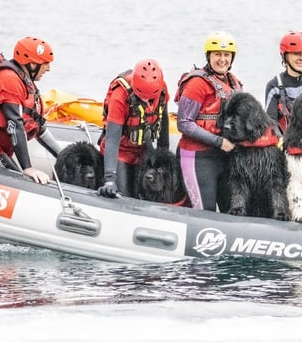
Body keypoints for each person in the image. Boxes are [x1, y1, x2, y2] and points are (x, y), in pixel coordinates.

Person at [0, 36, 63, 185]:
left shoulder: (24, 80)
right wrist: (28, 168)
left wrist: (62, 155)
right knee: (22, 183)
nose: (48, 69)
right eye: (45, 64)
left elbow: (37, 127)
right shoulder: (8, 79)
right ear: (32, 64)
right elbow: (14, 123)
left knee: (19, 177)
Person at [175, 31, 244, 212]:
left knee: (233, 210)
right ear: (209, 56)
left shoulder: (234, 83)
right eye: (217, 55)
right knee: (205, 211)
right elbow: (184, 123)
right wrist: (219, 141)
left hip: (224, 158)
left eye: (226, 55)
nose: (222, 60)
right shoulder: (196, 83)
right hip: (198, 157)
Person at [97, 59, 171, 198]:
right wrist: (109, 180)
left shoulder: (162, 89)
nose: (146, 102)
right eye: (142, 97)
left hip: (143, 151)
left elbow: (164, 122)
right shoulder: (120, 96)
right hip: (120, 152)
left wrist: (163, 159)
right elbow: (112, 139)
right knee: (125, 195)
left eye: (150, 99)